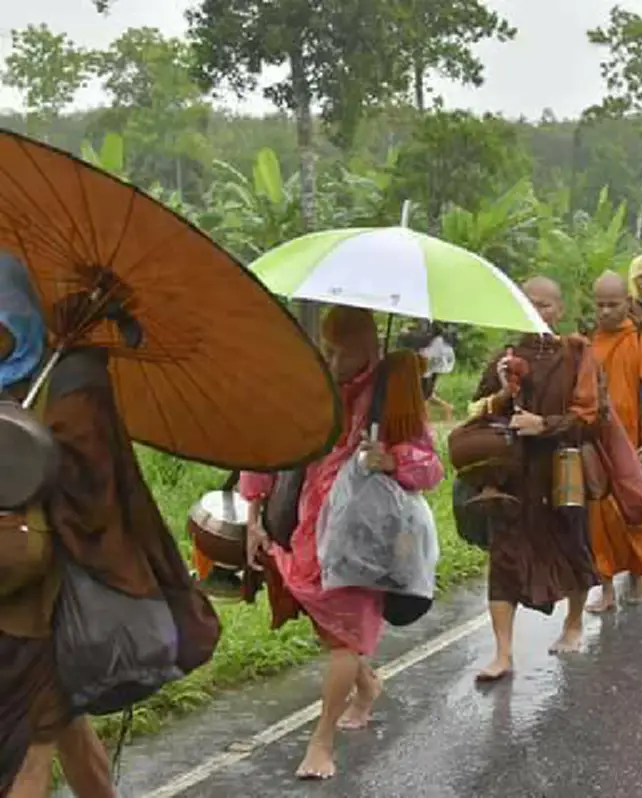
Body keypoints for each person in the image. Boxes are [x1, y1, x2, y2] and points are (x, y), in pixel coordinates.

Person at [2, 253, 217, 797]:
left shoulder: (70, 382)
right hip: (12, 597)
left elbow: (94, 487)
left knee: (37, 739)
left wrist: (33, 468)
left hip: (44, 598)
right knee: (50, 731)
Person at [240, 307, 444, 781]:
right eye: (326, 349)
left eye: (341, 351)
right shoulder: (312, 389)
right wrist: (253, 515)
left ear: (368, 348)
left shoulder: (393, 394)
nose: (330, 360)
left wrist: (391, 459)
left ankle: (322, 741)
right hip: (307, 528)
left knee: (345, 636)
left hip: (364, 540)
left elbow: (430, 466)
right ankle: (367, 686)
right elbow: (271, 446)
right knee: (328, 625)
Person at [469, 277, 601, 681]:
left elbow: (592, 418)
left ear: (559, 311)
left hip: (562, 469)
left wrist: (544, 424)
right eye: (528, 303)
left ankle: (574, 623)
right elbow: (476, 409)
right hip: (513, 472)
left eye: (544, 305)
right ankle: (503, 652)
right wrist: (505, 398)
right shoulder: (504, 358)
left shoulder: (576, 355)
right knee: (504, 556)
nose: (536, 311)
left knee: (572, 545)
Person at [585, 272, 642, 612]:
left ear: (628, 302)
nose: (606, 312)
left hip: (634, 442)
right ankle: (605, 586)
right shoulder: (589, 341)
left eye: (613, 304)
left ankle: (636, 575)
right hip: (596, 441)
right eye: (600, 305)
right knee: (597, 515)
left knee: (633, 512)